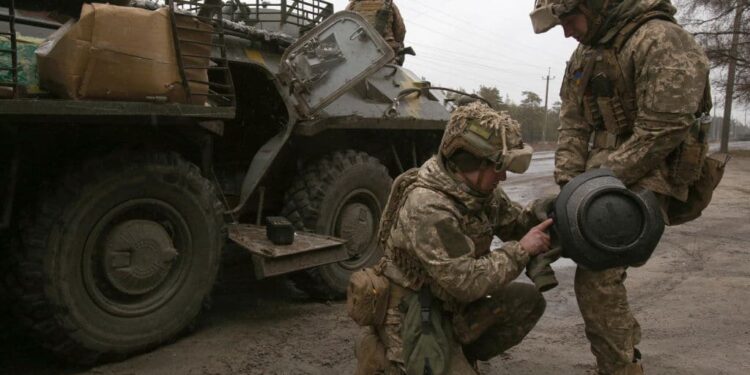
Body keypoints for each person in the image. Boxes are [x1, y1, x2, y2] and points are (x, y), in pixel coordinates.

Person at [530, 0, 711, 374]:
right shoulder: (586, 53)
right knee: (536, 222)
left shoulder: (660, 39)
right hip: (600, 176)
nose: (566, 31)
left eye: (570, 20)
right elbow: (573, 122)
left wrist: (595, 182)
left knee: (597, 275)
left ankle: (620, 367)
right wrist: (569, 187)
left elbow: (663, 131)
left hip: (650, 172)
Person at [354, 102, 556, 374]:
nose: (504, 176)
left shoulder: (479, 192)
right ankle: (384, 355)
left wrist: (544, 212)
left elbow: (514, 223)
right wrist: (521, 250)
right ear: (471, 162)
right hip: (413, 307)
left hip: (451, 301)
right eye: (498, 167)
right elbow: (467, 281)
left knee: (527, 302)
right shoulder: (429, 206)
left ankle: (454, 349)